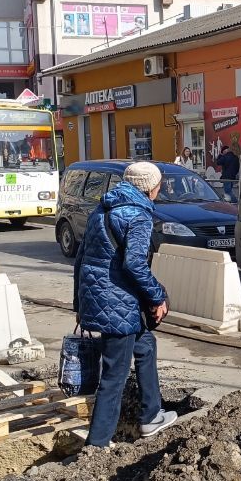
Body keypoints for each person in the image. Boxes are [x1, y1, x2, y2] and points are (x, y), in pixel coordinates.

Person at [73, 162, 177, 448]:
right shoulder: (139, 215)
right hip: (118, 304)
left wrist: (79, 304)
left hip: (106, 300)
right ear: (151, 187)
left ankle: (151, 415)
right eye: (159, 184)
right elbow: (134, 264)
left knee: (145, 346)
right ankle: (97, 445)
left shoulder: (103, 209)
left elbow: (81, 260)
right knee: (114, 375)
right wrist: (157, 296)